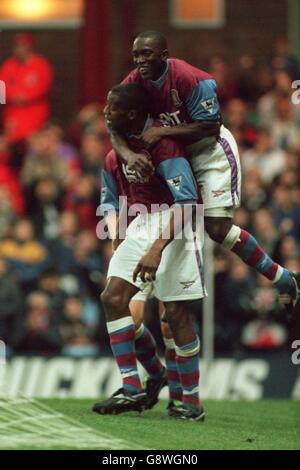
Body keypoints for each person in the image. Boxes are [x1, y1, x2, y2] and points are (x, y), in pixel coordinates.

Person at [111, 30, 300, 317]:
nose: (140, 60)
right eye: (136, 54)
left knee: (216, 228)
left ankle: (282, 277)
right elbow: (114, 124)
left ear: (164, 55)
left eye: (147, 53)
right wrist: (130, 155)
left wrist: (162, 131)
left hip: (210, 152)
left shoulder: (191, 79)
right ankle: (166, 304)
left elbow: (210, 127)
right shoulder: (133, 82)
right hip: (174, 156)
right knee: (171, 218)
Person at [92, 83, 205, 421]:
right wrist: (117, 235)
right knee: (113, 298)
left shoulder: (166, 147)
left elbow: (188, 203)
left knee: (175, 318)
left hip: (176, 224)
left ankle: (191, 403)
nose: (104, 112)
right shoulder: (115, 154)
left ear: (130, 113)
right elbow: (108, 202)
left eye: (110, 106)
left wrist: (157, 248)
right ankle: (133, 386)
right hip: (139, 225)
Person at [0, 33, 53, 143]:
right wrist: (12, 97)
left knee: (33, 144)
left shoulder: (41, 65)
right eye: (17, 46)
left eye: (23, 45)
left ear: (30, 47)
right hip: (12, 115)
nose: (20, 49)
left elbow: (43, 87)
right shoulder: (8, 65)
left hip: (34, 115)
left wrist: (26, 97)